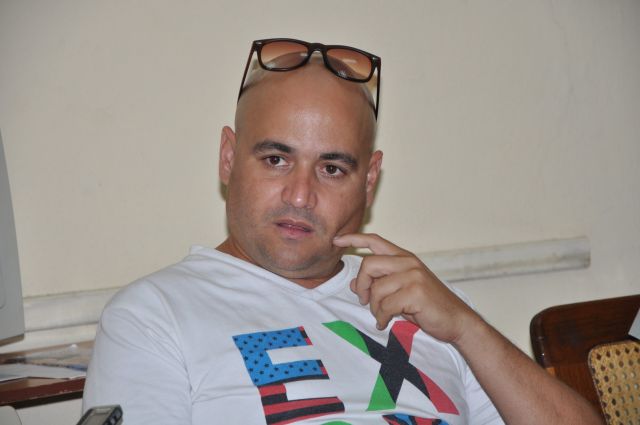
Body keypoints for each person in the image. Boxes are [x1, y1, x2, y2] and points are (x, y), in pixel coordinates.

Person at [82, 38, 603, 425]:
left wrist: (467, 329)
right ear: (228, 157)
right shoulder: (153, 316)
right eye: (276, 159)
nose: (300, 195)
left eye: (332, 168)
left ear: (369, 181)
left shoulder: (429, 308)